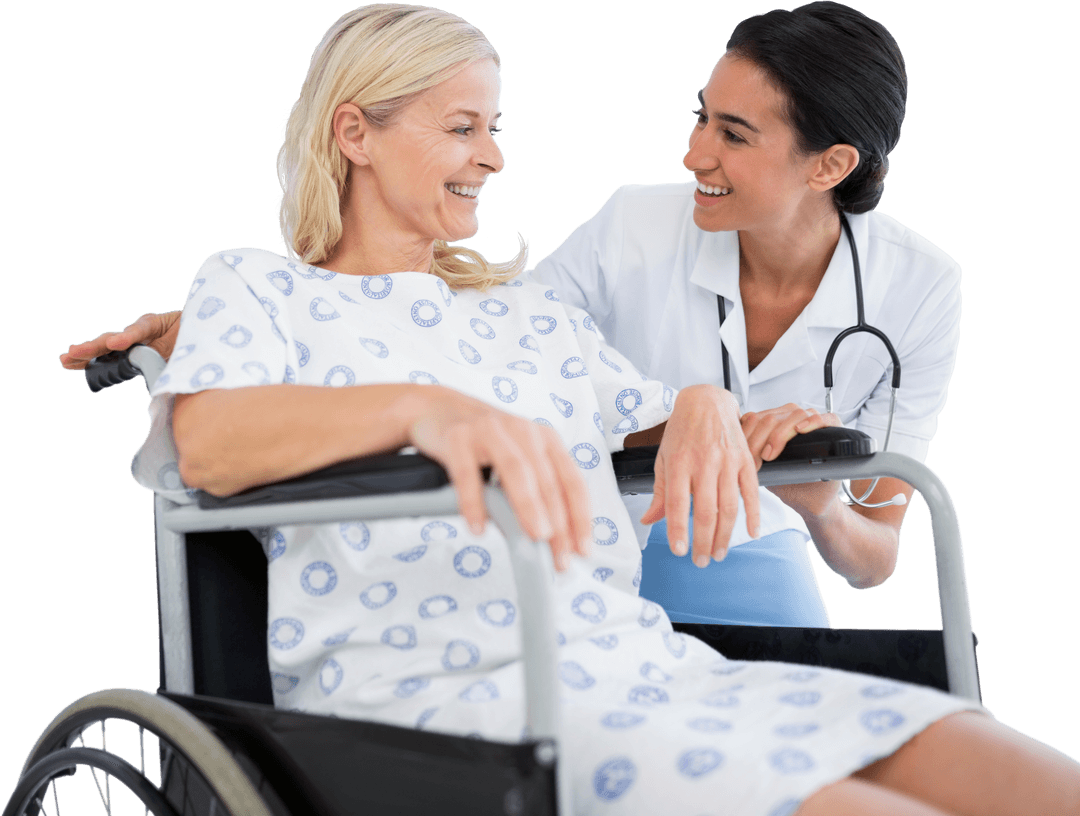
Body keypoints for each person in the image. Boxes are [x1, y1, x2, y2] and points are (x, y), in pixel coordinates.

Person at [85, 5, 1080, 814]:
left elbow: (651, 418)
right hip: (453, 703)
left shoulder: (524, 318)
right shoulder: (257, 288)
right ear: (356, 133)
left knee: (1021, 776)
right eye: (463, 126)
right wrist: (419, 409)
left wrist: (701, 402)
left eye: (496, 128)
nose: (495, 156)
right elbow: (206, 444)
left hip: (647, 669)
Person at [60, 2, 958, 630]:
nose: (693, 153)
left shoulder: (920, 291)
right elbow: (419, 329)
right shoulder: (628, 229)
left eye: (734, 133)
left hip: (716, 549)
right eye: (701, 118)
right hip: (580, 572)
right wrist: (217, 329)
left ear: (828, 165)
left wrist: (788, 478)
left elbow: (873, 553)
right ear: (353, 132)